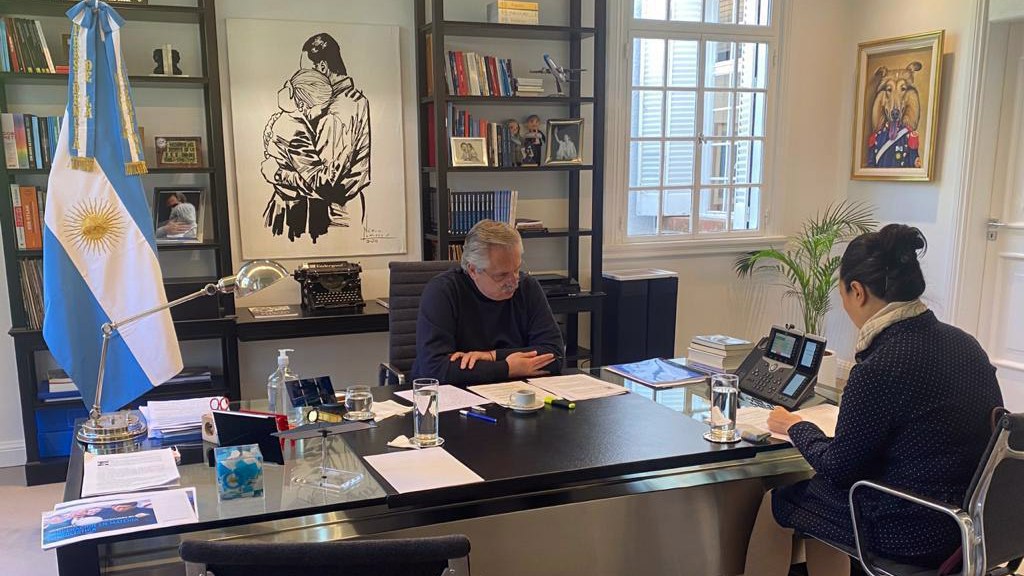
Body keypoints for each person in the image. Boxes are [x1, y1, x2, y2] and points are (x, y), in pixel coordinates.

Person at [742, 224, 1004, 575]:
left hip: (909, 529)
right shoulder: (966, 344)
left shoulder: (880, 366)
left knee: (777, 504)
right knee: (822, 503)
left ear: (857, 291)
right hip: (974, 527)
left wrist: (796, 426)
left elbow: (840, 469)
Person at [410, 220, 564, 386]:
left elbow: (554, 355)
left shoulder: (528, 287)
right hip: (456, 396)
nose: (514, 281)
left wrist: (492, 356)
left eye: (516, 269)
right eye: (502, 275)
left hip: (516, 393)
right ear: (473, 270)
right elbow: (434, 369)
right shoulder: (442, 292)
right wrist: (507, 368)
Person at [261, 68, 334, 241]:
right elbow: (316, 185)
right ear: (302, 105)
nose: (323, 113)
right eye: (321, 108)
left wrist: (277, 173)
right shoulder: (295, 129)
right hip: (295, 212)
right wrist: (280, 174)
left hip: (288, 205)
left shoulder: (281, 119)